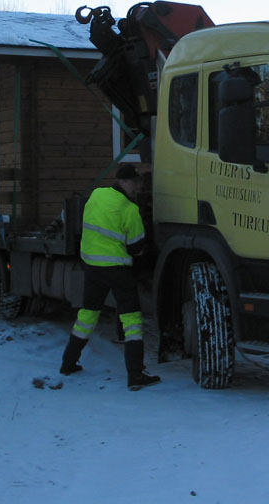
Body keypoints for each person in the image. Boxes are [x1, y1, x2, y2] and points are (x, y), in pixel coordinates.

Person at [59, 164, 161, 391]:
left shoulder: (97, 195)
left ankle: (68, 363)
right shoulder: (130, 209)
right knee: (132, 320)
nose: (138, 187)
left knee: (87, 314)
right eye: (134, 182)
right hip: (117, 270)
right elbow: (137, 248)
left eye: (139, 183)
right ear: (123, 181)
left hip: (92, 267)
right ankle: (135, 375)